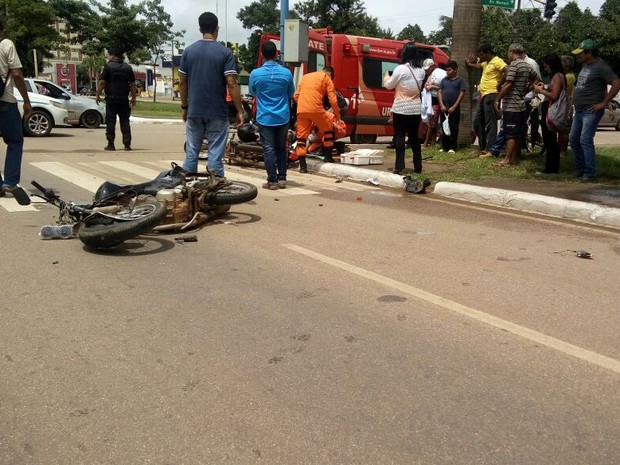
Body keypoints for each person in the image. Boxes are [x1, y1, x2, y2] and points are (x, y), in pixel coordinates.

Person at [179, 12, 244, 175]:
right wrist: (240, 110)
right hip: (217, 112)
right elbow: (231, 83)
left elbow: (182, 82)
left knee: (192, 152)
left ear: (200, 28)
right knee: (215, 155)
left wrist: (184, 107)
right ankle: (215, 193)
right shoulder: (225, 53)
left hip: (194, 111)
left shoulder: (188, 52)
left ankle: (189, 188)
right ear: (217, 28)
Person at [570, 39, 620, 182]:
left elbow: (616, 83)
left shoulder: (601, 66)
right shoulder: (586, 65)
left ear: (589, 53)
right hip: (579, 110)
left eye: (581, 53)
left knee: (585, 139)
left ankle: (589, 174)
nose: (578, 56)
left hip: (590, 110)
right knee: (574, 139)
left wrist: (603, 103)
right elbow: (601, 86)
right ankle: (580, 171)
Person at [249, 41, 294, 190]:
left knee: (268, 149)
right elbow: (291, 93)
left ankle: (272, 181)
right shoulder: (287, 73)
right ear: (276, 54)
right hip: (282, 117)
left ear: (262, 55)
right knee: (281, 148)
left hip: (265, 117)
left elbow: (253, 92)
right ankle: (282, 179)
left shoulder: (255, 74)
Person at [0, 18, 32, 205]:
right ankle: (10, 182)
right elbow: (17, 74)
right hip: (5, 101)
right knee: (14, 141)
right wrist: (26, 100)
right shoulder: (6, 44)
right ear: (2, 29)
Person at [493, 43, 539, 167]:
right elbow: (537, 78)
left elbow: (508, 84)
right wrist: (527, 90)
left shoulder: (514, 65)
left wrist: (498, 99)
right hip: (521, 104)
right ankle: (513, 158)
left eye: (508, 52)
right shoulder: (526, 65)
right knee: (517, 133)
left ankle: (507, 160)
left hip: (512, 104)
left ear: (512, 51)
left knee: (510, 133)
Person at [383, 42, 425, 174]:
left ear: (404, 53)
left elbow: (389, 86)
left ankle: (399, 166)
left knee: (400, 136)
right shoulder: (422, 71)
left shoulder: (400, 69)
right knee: (414, 138)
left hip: (401, 107)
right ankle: (418, 166)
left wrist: (386, 77)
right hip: (415, 108)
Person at [294, 66, 341, 172]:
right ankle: (328, 157)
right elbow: (333, 100)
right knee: (328, 129)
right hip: (316, 109)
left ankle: (303, 167)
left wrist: (305, 105)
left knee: (301, 138)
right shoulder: (326, 77)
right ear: (329, 73)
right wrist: (337, 115)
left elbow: (296, 96)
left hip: (301, 110)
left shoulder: (305, 77)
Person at [465, 44, 506, 158]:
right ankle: (483, 147)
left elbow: (507, 70)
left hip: (492, 94)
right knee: (478, 122)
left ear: (488, 52)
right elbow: (477, 65)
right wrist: (469, 63)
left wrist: (500, 83)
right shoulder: (486, 63)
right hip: (484, 96)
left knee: (491, 123)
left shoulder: (497, 61)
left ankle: (491, 149)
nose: (480, 57)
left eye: (482, 54)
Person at [96, 49, 137, 151]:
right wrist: (133, 97)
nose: (108, 57)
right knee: (125, 121)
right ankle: (127, 145)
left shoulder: (108, 66)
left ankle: (111, 144)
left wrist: (98, 94)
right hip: (123, 99)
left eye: (108, 55)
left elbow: (102, 82)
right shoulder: (128, 68)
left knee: (111, 121)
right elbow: (132, 84)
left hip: (111, 99)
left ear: (113, 55)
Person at [534, 54, 566, 174]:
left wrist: (540, 90)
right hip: (550, 109)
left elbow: (554, 95)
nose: (546, 69)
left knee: (550, 140)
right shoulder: (558, 77)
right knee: (549, 139)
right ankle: (550, 167)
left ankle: (551, 168)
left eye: (547, 66)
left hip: (552, 110)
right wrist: (546, 87)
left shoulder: (557, 77)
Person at [437, 60, 466, 154]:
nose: (447, 72)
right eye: (446, 70)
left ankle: (452, 147)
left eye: (449, 70)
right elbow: (440, 92)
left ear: (455, 70)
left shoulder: (460, 81)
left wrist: (454, 106)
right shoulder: (444, 80)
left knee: (453, 127)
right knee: (444, 126)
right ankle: (444, 146)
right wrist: (441, 104)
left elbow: (462, 93)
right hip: (444, 108)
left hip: (454, 109)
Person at [421, 58, 446, 148]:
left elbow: (443, 87)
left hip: (436, 101)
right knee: (431, 123)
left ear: (432, 66)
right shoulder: (430, 74)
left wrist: (432, 86)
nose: (426, 71)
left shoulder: (441, 73)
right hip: (429, 101)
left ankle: (426, 143)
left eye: (428, 69)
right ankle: (433, 142)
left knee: (431, 123)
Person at [559, 55, 576, 156]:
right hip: (564, 105)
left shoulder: (569, 77)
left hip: (565, 105)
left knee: (564, 130)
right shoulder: (567, 76)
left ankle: (563, 151)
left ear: (567, 66)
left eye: (562, 62)